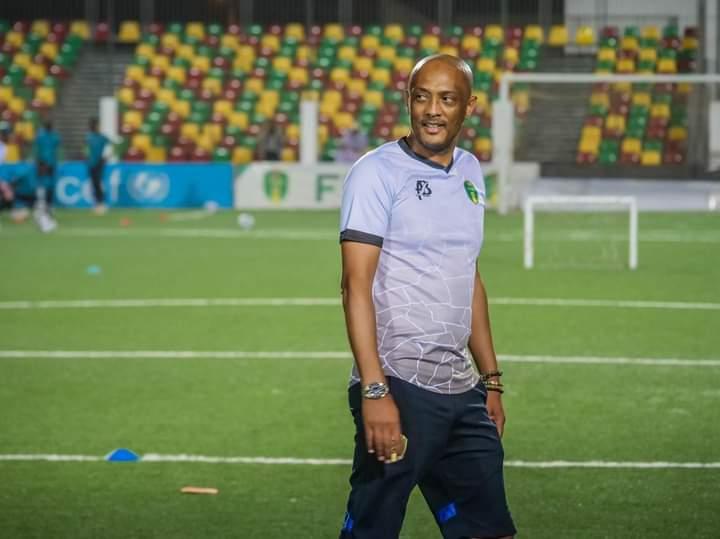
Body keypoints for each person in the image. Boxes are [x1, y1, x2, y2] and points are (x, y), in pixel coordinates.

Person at [338, 54, 516, 539]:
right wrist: (375, 390)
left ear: (469, 106)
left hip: (461, 389)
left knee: (489, 531)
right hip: (399, 384)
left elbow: (468, 274)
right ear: (408, 101)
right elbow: (354, 284)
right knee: (372, 531)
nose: (432, 110)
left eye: (447, 99)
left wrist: (491, 380)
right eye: (422, 97)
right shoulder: (376, 173)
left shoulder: (470, 171)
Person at [33, 119, 61, 231]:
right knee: (43, 187)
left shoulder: (51, 136)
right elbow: (37, 150)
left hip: (49, 164)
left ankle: (46, 208)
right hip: (44, 164)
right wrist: (39, 163)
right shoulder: (43, 136)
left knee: (49, 186)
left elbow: (56, 148)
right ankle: (42, 210)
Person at [85, 117, 111, 214]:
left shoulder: (102, 137)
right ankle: (97, 204)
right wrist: (87, 158)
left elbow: (112, 146)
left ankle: (101, 204)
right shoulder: (88, 138)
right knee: (94, 184)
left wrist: (106, 157)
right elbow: (86, 150)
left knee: (98, 183)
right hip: (91, 164)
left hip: (99, 163)